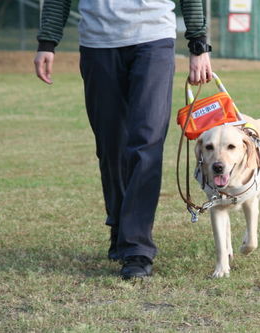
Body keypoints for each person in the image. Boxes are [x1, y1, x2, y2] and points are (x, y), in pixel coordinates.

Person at [33, 0, 212, 279]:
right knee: (111, 145)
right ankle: (120, 227)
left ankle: (137, 247)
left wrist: (198, 43)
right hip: (98, 44)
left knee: (147, 141)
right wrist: (47, 41)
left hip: (153, 38)